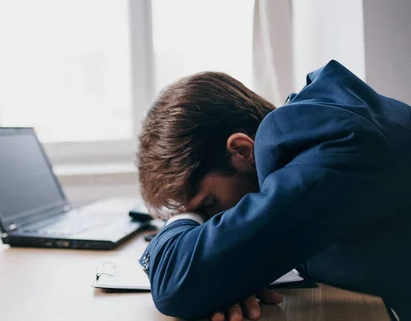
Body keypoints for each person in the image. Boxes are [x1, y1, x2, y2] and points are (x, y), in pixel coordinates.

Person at [137, 60, 411, 321]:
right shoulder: (313, 132)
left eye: (208, 205)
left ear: (242, 151)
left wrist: (188, 232)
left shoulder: (339, 146)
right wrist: (230, 277)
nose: (211, 220)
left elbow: (175, 284)